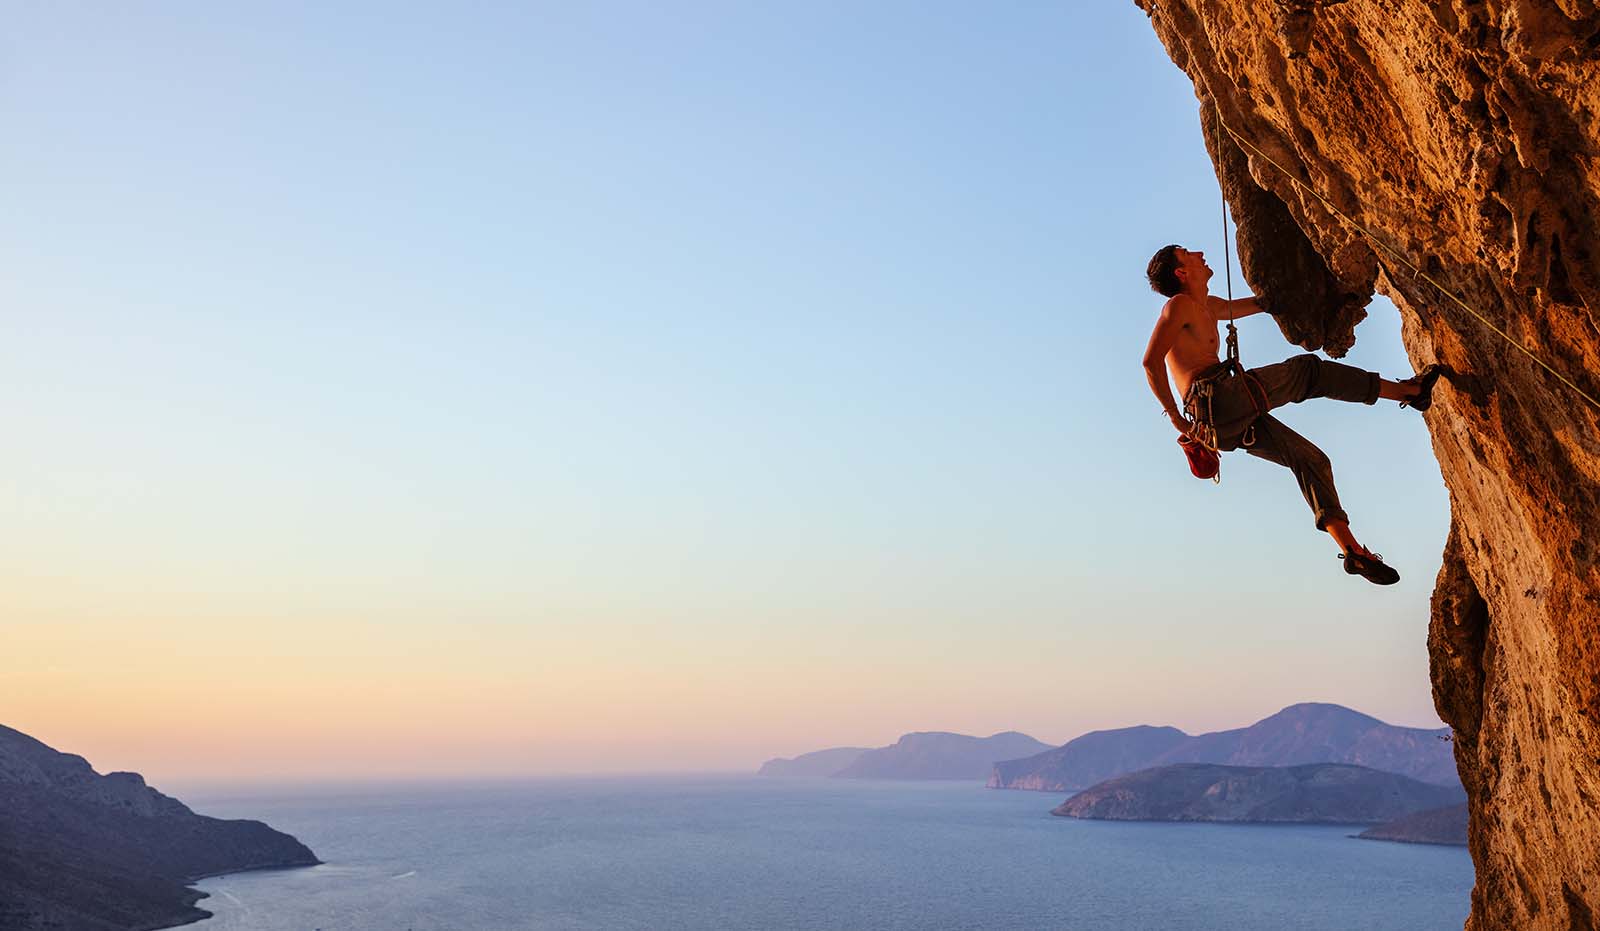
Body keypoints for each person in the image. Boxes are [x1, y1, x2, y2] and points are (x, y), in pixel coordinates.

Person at [1140, 244, 1445, 585]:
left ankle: (1354, 552)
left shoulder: (1208, 306)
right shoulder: (1178, 306)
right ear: (1181, 272)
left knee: (1310, 459)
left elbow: (1262, 304)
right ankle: (1410, 392)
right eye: (1188, 254)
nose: (1199, 253)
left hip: (1225, 420)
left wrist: (1299, 287)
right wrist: (1178, 420)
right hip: (1217, 400)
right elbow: (1150, 362)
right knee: (1307, 373)